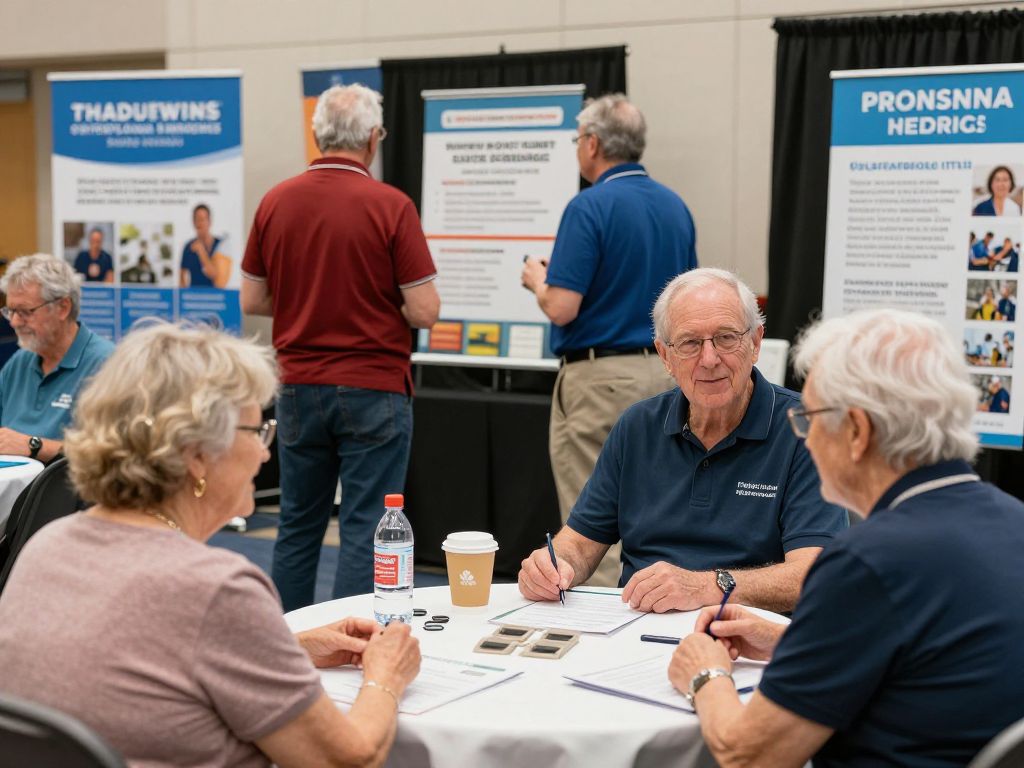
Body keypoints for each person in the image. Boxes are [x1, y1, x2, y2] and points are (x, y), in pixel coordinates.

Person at [0, 322, 422, 767]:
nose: (265, 453)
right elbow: (348, 760)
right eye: (256, 432)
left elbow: (133, 657)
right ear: (197, 455)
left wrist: (286, 646)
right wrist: (386, 675)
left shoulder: (48, 547)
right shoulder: (217, 588)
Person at [668, 308, 1024, 768]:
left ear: (856, 431)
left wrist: (705, 674)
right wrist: (793, 641)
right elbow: (941, 660)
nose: (807, 440)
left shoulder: (867, 561)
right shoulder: (1012, 519)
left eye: (811, 420)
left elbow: (749, 756)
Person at [518, 268, 846, 614]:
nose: (709, 359)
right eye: (690, 343)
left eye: (726, 338)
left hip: (748, 633)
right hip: (637, 629)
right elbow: (579, 545)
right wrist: (553, 566)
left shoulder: (804, 428)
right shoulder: (638, 426)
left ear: (755, 343)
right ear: (665, 356)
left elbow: (815, 574)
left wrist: (707, 587)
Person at [241, 83, 440, 609]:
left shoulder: (275, 201)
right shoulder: (391, 205)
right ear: (373, 138)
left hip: (298, 385)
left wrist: (307, 303)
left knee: (297, 522)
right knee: (366, 525)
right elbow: (424, 311)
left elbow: (252, 299)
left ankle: (288, 638)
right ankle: (352, 640)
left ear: (318, 135)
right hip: (374, 386)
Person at [520, 93, 698, 587]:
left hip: (600, 380)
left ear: (593, 144)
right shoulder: (676, 207)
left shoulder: (589, 206)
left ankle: (600, 625)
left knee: (592, 525)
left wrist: (538, 280)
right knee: (662, 509)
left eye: (578, 139)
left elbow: (562, 306)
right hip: (668, 373)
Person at [0, 253, 113, 462]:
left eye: (25, 312)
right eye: (10, 311)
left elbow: (114, 453)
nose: (14, 322)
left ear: (63, 308)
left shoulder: (107, 365)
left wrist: (34, 446)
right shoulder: (20, 361)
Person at [181, 203, 232, 289]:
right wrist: (183, 294)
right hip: (193, 295)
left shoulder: (220, 245)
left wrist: (201, 251)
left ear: (209, 222)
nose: (199, 223)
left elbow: (215, 275)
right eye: (197, 219)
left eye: (202, 219)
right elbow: (182, 277)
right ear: (193, 222)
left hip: (216, 295)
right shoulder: (188, 246)